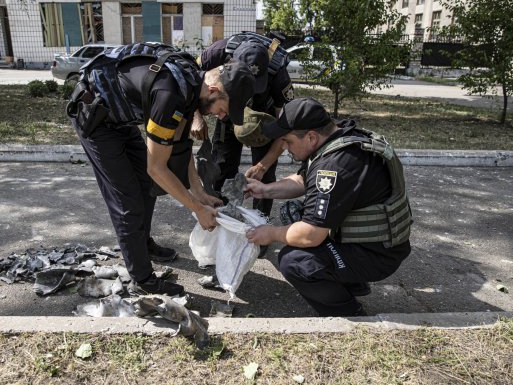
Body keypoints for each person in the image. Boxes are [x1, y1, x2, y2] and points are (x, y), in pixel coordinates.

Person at [70, 45, 256, 296]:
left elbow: (179, 145)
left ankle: (141, 245)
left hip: (119, 117)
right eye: (223, 109)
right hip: (95, 118)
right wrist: (198, 209)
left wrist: (199, 192)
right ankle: (142, 281)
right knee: (128, 203)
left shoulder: (191, 82)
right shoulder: (170, 94)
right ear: (214, 89)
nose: (221, 116)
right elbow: (157, 168)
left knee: (147, 189)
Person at [244, 98, 412, 316]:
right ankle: (352, 283)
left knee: (295, 262)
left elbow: (310, 236)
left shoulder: (334, 166)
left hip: (376, 254)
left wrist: (270, 234)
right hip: (379, 241)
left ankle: (349, 313)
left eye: (287, 141)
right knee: (294, 213)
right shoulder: (340, 138)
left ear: (311, 137)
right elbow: (304, 180)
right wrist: (265, 189)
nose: (284, 147)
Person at [191, 32, 295, 219]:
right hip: (226, 112)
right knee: (221, 166)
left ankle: (261, 222)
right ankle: (221, 217)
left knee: (264, 176)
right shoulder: (217, 53)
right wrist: (196, 116)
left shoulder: (278, 73)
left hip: (263, 117)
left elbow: (285, 126)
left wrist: (262, 166)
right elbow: (188, 82)